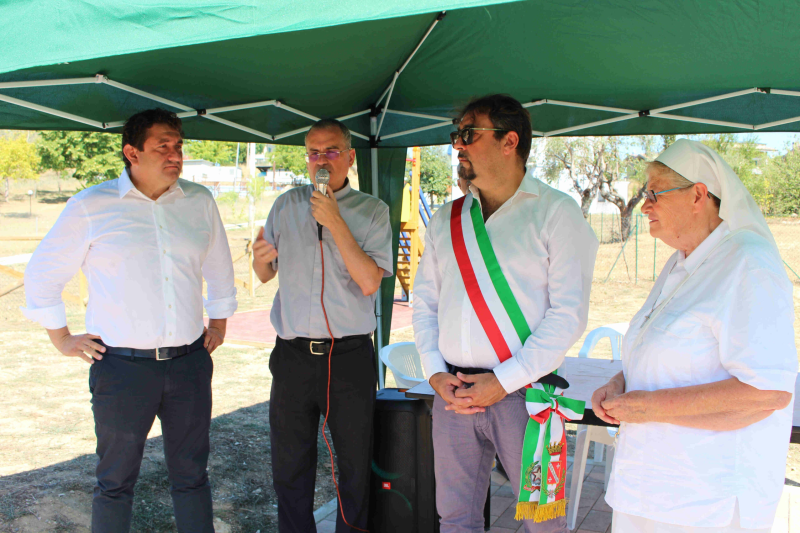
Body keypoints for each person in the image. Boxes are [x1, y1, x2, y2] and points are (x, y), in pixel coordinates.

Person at [22, 108, 237, 532]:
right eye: (163, 146)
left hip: (189, 364)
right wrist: (62, 338)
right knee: (115, 481)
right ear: (131, 152)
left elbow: (220, 269)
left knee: (192, 477)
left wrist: (219, 325)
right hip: (121, 369)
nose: (175, 154)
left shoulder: (199, 202)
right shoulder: (91, 206)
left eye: (178, 146)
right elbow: (42, 275)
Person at [412, 94, 598, 533]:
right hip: (453, 392)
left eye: (469, 134)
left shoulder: (556, 213)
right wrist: (436, 374)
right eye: (456, 135)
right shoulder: (447, 219)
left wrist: (503, 381)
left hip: (526, 396)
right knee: (455, 519)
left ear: (509, 141)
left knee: (542, 523)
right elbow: (425, 304)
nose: (458, 145)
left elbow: (568, 315)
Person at [592, 139, 797, 533]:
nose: (644, 205)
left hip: (703, 500)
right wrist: (620, 384)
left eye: (654, 193)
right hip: (648, 488)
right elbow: (663, 356)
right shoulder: (679, 262)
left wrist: (648, 406)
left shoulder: (748, 264)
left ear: (699, 195)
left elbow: (767, 392)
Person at [252, 119, 393, 533]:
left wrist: (335, 221)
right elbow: (264, 274)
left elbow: (370, 282)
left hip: (347, 357)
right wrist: (260, 258)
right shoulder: (286, 204)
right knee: (290, 465)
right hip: (293, 355)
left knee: (352, 465)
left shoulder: (373, 211)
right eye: (313, 152)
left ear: (350, 156)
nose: (321, 161)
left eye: (331, 151)